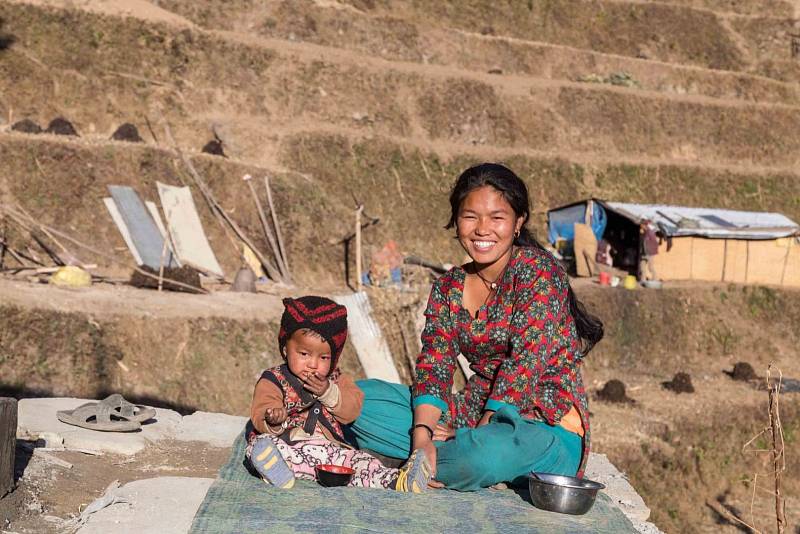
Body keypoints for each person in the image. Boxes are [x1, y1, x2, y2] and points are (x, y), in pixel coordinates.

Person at [347, 163, 604, 491]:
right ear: (456, 221)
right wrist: (422, 437)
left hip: (540, 428)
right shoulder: (449, 287)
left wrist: (476, 435)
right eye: (471, 217)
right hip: (470, 413)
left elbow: (525, 364)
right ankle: (433, 460)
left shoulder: (539, 271)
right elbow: (435, 368)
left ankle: (446, 462)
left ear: (517, 223)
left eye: (497, 218)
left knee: (487, 454)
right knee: (359, 400)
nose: (483, 229)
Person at [246, 296, 432, 491]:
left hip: (331, 454)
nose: (313, 364)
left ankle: (399, 481)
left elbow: (352, 410)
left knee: (362, 462)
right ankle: (278, 473)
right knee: (260, 446)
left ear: (334, 358)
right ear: (285, 349)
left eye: (324, 357)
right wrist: (273, 418)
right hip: (289, 444)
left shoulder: (337, 380)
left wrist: (328, 392)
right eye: (304, 354)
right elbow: (262, 408)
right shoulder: (274, 379)